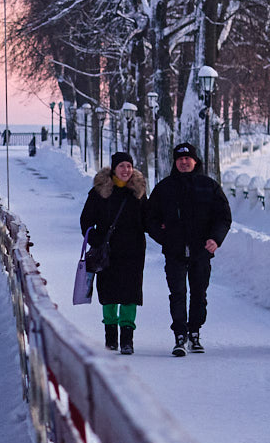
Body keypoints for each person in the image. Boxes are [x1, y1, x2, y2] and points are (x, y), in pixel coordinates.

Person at [145, 142, 232, 357]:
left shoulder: (209, 186)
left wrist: (215, 239)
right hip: (174, 251)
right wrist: (164, 237)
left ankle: (195, 332)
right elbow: (150, 218)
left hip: (201, 251)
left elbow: (223, 217)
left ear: (195, 161)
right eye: (180, 159)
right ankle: (180, 335)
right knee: (178, 293)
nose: (184, 162)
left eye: (188, 158)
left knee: (199, 294)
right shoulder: (164, 188)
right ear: (175, 162)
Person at [80, 152, 147, 355]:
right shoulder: (100, 192)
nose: (126, 170)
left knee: (130, 294)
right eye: (122, 166)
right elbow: (86, 221)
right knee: (108, 295)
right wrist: (96, 240)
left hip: (133, 251)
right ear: (114, 168)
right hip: (107, 252)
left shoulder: (138, 192)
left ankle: (127, 338)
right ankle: (110, 336)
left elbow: (149, 218)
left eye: (129, 166)